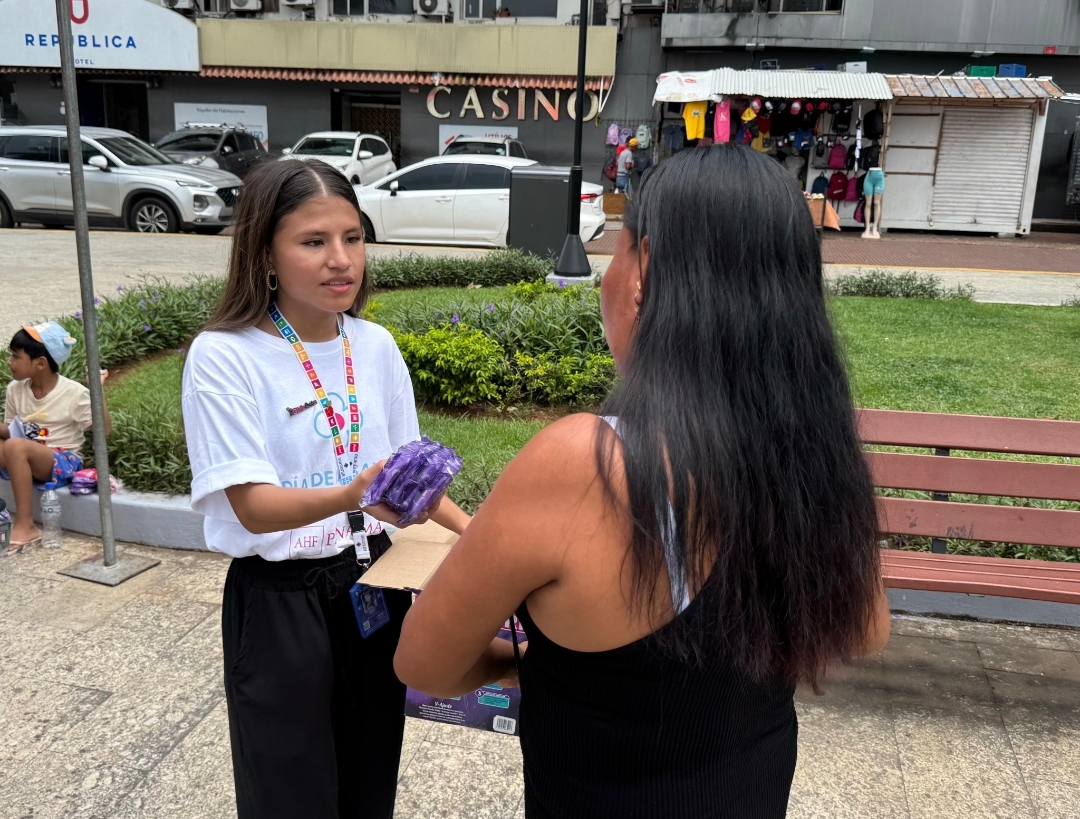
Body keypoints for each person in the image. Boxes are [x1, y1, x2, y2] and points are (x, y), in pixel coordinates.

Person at [394, 145, 891, 818]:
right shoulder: (809, 455)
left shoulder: (584, 466)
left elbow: (424, 663)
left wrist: (523, 660)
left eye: (617, 248)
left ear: (644, 273)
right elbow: (864, 629)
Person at [181, 158, 469, 819]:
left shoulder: (374, 346)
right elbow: (252, 508)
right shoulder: (225, 355)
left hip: (373, 584)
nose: (341, 260)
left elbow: (409, 477)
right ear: (267, 254)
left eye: (353, 237)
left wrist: (481, 535)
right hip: (281, 601)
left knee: (370, 775)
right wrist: (351, 493)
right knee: (290, 789)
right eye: (314, 242)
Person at [1, 322, 110, 553]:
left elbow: (103, 431)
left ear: (40, 363)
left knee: (15, 447)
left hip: (63, 461)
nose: (9, 362)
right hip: (21, 451)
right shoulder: (15, 389)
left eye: (15, 357)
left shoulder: (73, 393)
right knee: (14, 446)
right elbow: (11, 432)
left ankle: (26, 525)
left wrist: (96, 391)